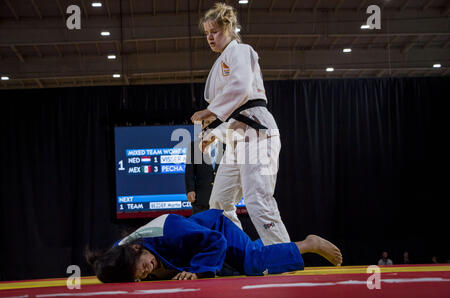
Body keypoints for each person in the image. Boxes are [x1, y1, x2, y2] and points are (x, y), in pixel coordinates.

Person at [190, 2, 290, 245]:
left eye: (214, 31)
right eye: (206, 33)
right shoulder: (222, 61)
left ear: (229, 27)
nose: (210, 37)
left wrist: (209, 111)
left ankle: (283, 255)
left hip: (258, 130)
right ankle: (244, 251)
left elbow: (242, 88)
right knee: (220, 203)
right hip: (238, 136)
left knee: (258, 198)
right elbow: (233, 112)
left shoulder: (241, 51)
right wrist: (213, 134)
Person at [85, 209, 343, 283]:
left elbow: (215, 241)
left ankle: (309, 244)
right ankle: (257, 246)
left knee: (252, 264)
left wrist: (197, 270)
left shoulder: (170, 228)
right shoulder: (120, 253)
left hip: (215, 230)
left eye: (142, 266)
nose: (145, 270)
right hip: (190, 245)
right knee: (243, 261)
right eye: (139, 275)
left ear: (136, 250)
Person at [185, 119, 224, 214]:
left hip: (223, 199)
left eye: (214, 122)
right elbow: (189, 172)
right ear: (202, 126)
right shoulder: (194, 146)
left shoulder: (227, 145)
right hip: (201, 200)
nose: (210, 125)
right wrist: (190, 190)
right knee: (202, 228)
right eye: (207, 122)